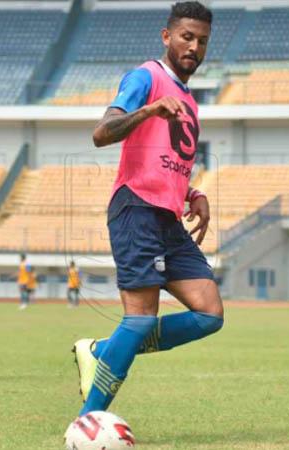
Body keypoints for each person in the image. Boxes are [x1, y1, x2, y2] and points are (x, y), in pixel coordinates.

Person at [72, 2, 223, 418]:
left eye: (202, 41)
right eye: (186, 37)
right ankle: (88, 421)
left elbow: (167, 161)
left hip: (168, 216)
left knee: (209, 312)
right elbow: (102, 133)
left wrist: (193, 194)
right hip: (136, 207)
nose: (194, 46)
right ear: (167, 36)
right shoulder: (147, 77)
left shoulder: (190, 102)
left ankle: (102, 349)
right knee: (139, 319)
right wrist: (150, 109)